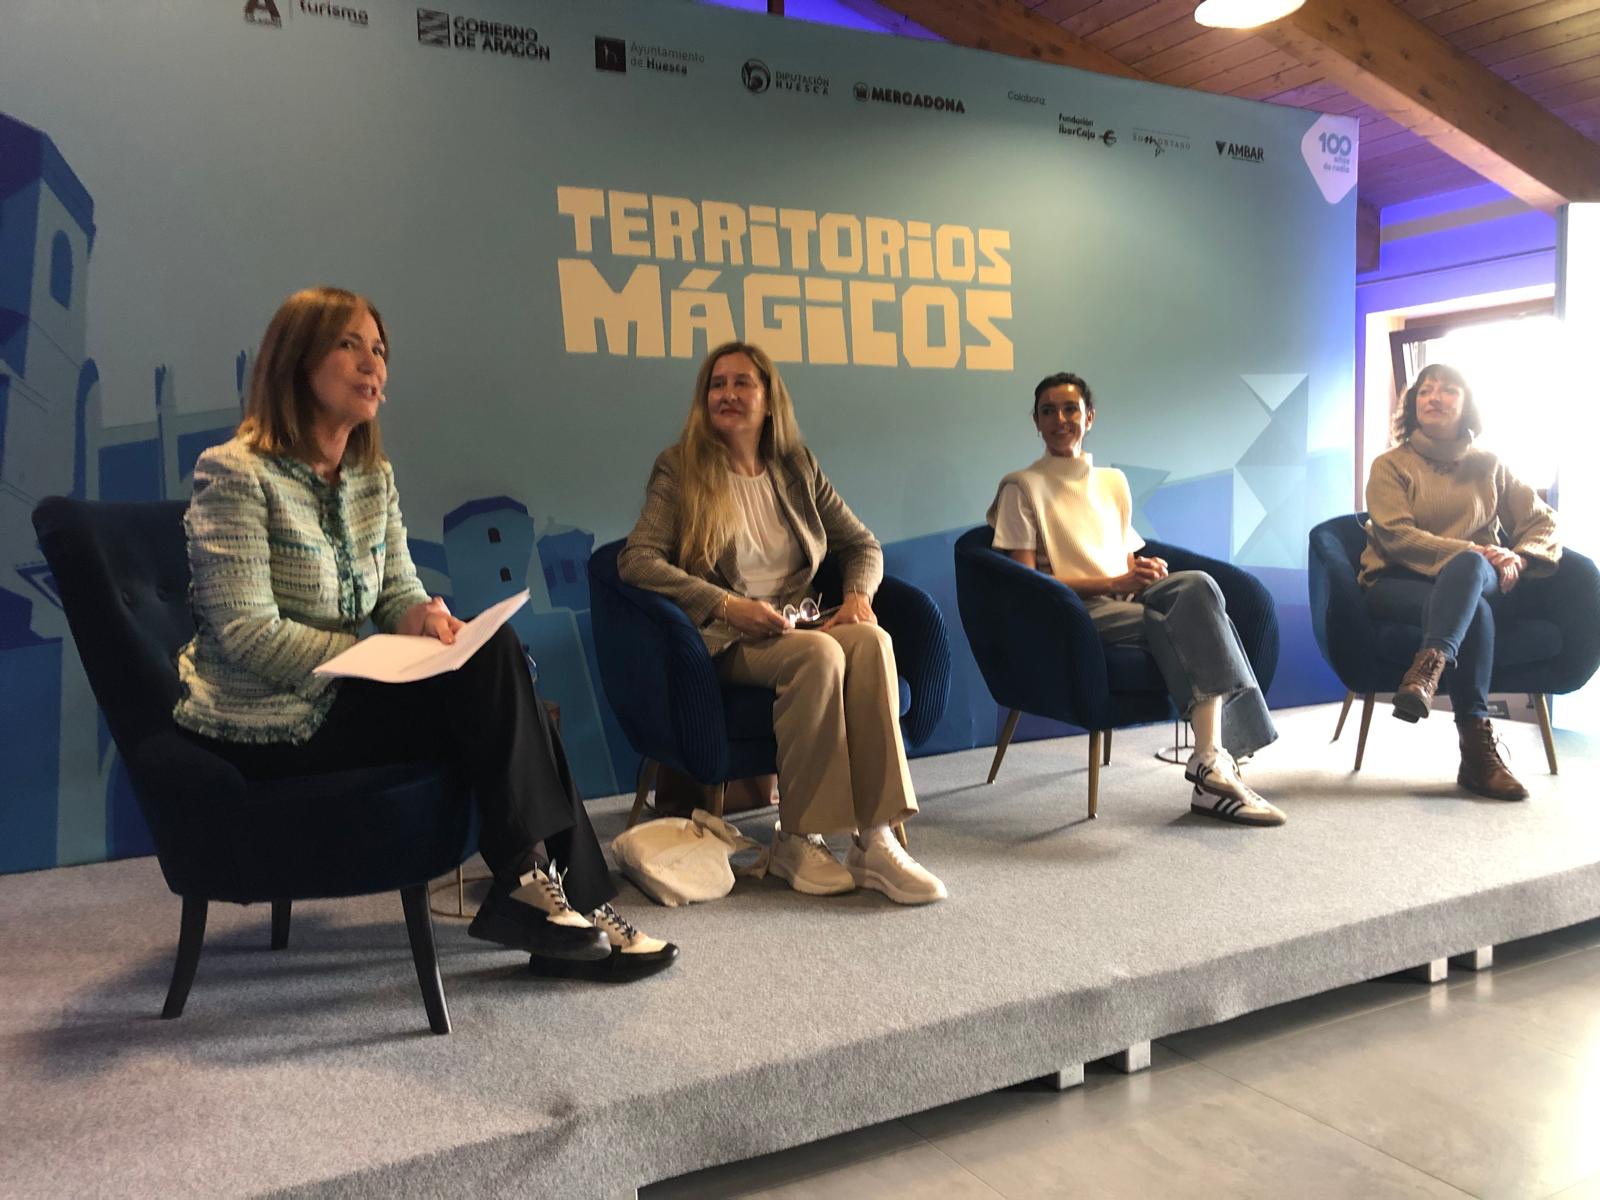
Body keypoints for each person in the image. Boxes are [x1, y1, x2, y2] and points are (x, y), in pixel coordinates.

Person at [172, 286, 675, 981]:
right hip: (270, 719)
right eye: (349, 344)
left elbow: (399, 590)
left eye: (379, 349)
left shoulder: (372, 480)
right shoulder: (235, 474)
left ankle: (552, 901)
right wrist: (378, 654)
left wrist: (427, 624)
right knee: (498, 680)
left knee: (492, 654)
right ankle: (560, 902)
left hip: (351, 697)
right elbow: (246, 636)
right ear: (297, 358)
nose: (371, 362)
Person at [618, 341, 947, 904]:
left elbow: (861, 543)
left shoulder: (797, 466)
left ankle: (875, 839)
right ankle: (796, 836)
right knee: (820, 655)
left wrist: (858, 595)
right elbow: (637, 559)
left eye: (742, 383)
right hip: (732, 637)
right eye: (716, 384)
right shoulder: (680, 469)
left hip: (802, 619)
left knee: (870, 639)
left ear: (769, 399)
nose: (727, 394)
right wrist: (725, 606)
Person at [988, 372, 1285, 826]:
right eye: (1048, 411)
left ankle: (1209, 757)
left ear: (1090, 417)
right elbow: (1024, 584)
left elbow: (1126, 558)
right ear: (1036, 421)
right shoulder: (1021, 487)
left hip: (1125, 599)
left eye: (1070, 409)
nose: (1060, 419)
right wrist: (1115, 581)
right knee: (1194, 626)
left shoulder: (1113, 483)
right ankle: (1215, 762)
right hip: (1074, 613)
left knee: (1199, 586)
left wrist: (1143, 574)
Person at [1362, 362, 1560, 801]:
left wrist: (1519, 556)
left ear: (1465, 404)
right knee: (1474, 602)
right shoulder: (1390, 465)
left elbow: (1543, 523)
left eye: (1448, 390)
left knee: (1470, 574)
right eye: (1425, 390)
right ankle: (1477, 755)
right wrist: (1470, 551)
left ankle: (1428, 667)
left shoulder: (1490, 466)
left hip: (1478, 576)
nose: (1434, 397)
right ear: (1413, 404)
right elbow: (1395, 535)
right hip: (1398, 581)